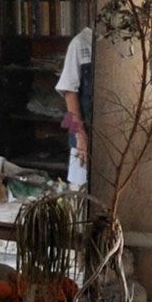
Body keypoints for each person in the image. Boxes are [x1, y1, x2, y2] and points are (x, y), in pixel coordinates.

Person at [56, 26, 94, 188]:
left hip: (108, 133)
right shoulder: (80, 43)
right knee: (80, 190)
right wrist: (80, 135)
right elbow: (68, 92)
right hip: (83, 131)